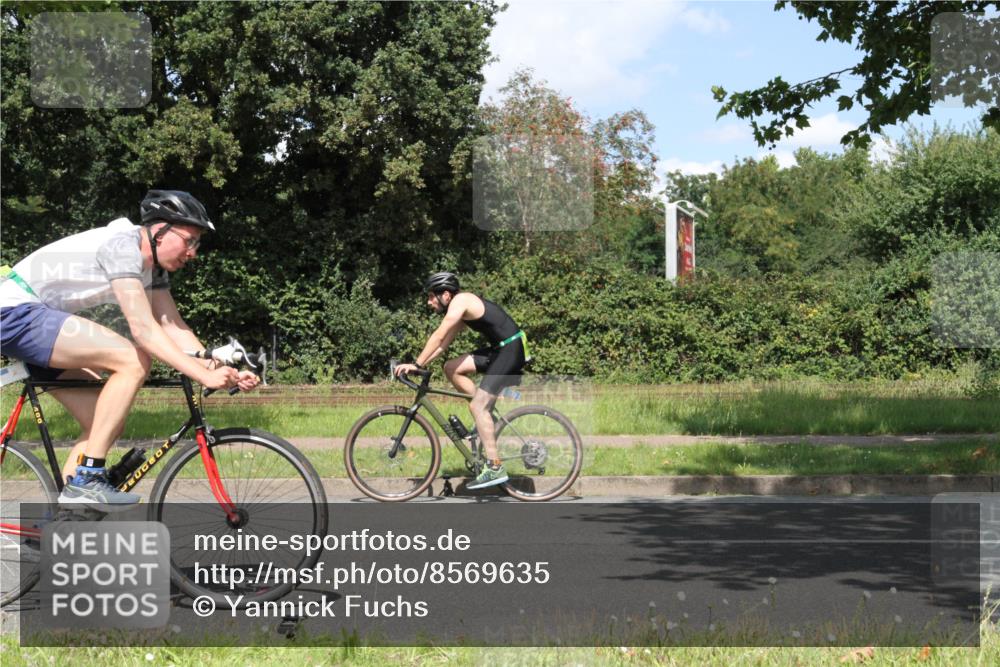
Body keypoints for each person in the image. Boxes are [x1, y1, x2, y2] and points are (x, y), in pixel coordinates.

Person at [0, 190, 259, 510]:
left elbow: (172, 327)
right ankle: (87, 480)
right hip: (14, 312)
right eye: (189, 240)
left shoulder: (152, 268)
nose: (193, 252)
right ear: (160, 230)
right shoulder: (123, 247)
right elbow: (143, 330)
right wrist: (200, 375)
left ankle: (66, 521)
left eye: (198, 244)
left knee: (102, 421)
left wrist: (216, 368)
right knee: (132, 359)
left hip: (39, 319)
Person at [394, 271, 529, 489]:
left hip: (511, 350)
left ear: (446, 295)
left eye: (431, 296)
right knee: (451, 368)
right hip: (500, 350)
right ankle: (486, 414)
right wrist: (421, 365)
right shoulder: (460, 309)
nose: (429, 302)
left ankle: (495, 467)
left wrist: (416, 365)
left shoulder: (461, 301)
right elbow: (442, 346)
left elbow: (438, 335)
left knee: (477, 407)